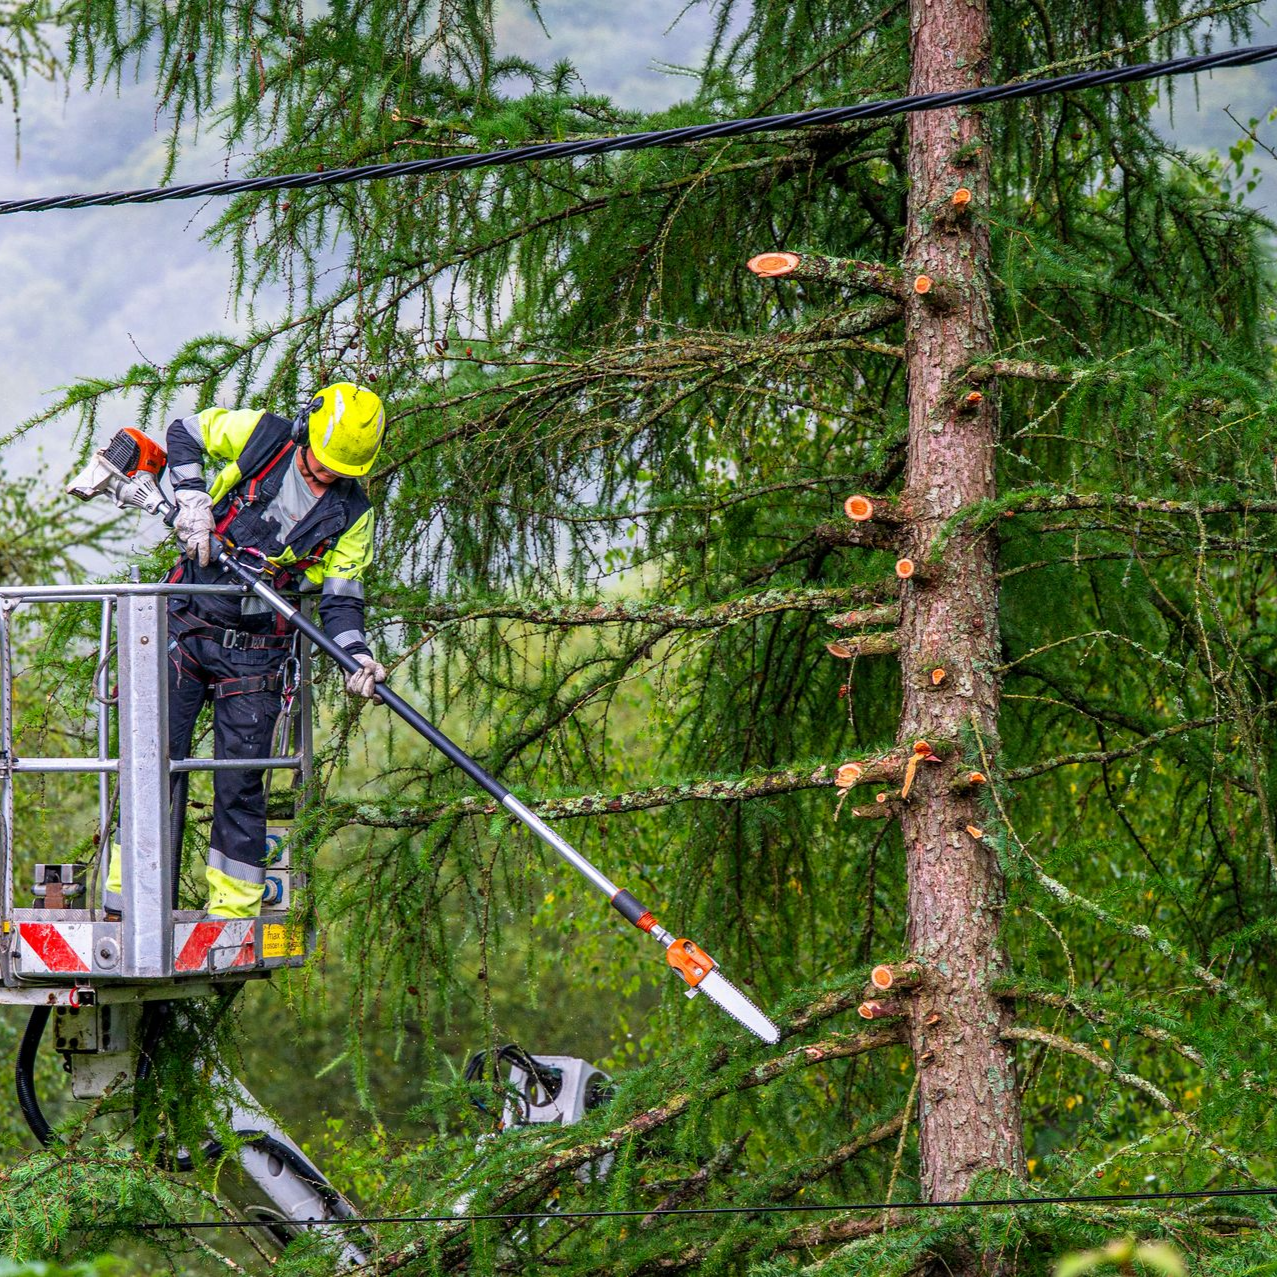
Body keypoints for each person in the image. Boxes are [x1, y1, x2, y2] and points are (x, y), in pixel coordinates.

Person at [104, 383, 388, 920]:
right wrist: (191, 501)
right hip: (186, 622)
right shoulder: (265, 437)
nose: (323, 477)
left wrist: (358, 656)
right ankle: (129, 904)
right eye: (319, 465)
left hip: (258, 652)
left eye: (337, 474)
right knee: (152, 763)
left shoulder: (354, 514)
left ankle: (232, 918)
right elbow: (186, 433)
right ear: (305, 430)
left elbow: (342, 601)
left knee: (240, 782)